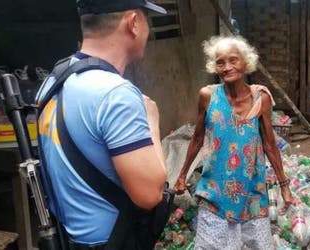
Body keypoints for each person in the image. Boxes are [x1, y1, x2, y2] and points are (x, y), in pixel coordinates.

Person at [35, 0, 167, 248]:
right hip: (112, 242)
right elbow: (150, 195)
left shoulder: (55, 79)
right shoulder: (115, 93)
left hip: (69, 240)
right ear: (134, 23)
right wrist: (153, 122)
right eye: (146, 19)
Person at [173, 35, 293, 250]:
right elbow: (198, 137)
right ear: (215, 67)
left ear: (246, 63)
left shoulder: (261, 98)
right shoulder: (208, 96)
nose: (227, 67)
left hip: (251, 189)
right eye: (220, 62)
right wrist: (182, 176)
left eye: (233, 60)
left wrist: (285, 187)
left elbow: (270, 145)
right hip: (215, 190)